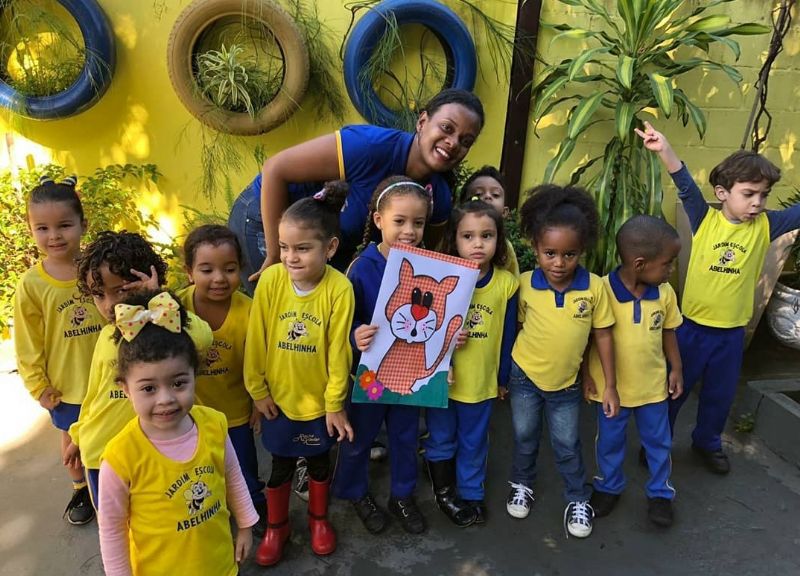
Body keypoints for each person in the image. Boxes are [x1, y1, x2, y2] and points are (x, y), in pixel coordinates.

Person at [636, 121, 800, 475]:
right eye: (748, 193)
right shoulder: (704, 218)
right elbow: (683, 181)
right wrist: (663, 147)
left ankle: (707, 442)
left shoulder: (768, 225)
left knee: (719, 397)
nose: (757, 203)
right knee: (672, 392)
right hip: (690, 331)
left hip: (730, 335)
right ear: (723, 193)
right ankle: (655, 444)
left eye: (763, 195)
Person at [228, 88, 485, 293]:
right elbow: (275, 169)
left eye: (466, 141)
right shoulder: (369, 147)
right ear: (422, 121)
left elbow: (423, 260)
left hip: (325, 243)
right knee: (284, 318)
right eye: (447, 128)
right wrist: (275, 255)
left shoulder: (436, 197)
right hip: (267, 216)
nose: (453, 143)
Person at [98, 290, 256, 576]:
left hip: (219, 564)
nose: (165, 399)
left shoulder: (214, 423)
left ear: (195, 375)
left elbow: (233, 475)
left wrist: (245, 525)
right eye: (148, 388)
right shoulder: (121, 456)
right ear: (125, 389)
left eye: (178, 383)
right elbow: (112, 529)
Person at [244, 182, 355, 566]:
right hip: (279, 399)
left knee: (320, 463)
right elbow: (256, 339)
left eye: (302, 248)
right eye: (284, 246)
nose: (290, 257)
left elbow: (340, 352)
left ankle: (318, 520)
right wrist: (257, 391)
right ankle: (277, 527)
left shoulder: (340, 289)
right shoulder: (271, 281)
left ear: (330, 248)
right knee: (280, 466)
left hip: (319, 403)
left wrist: (334, 405)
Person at [66, 231, 212, 509]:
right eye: (99, 295)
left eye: (120, 291)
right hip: (102, 453)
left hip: (155, 452)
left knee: (165, 516)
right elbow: (95, 391)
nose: (109, 305)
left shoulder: (162, 325)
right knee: (117, 528)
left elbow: (203, 338)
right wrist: (78, 434)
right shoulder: (107, 335)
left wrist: (157, 298)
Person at [507, 184, 618, 539]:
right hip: (524, 376)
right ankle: (522, 483)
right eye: (549, 253)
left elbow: (599, 336)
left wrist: (604, 382)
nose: (558, 263)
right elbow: (520, 329)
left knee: (568, 444)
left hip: (567, 384)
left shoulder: (595, 287)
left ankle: (578, 498)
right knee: (525, 437)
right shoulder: (524, 284)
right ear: (535, 248)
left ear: (581, 250)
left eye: (569, 254)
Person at [332, 176, 433, 536]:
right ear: (378, 220)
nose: (409, 230)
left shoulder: (430, 266)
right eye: (400, 221)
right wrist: (354, 333)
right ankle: (356, 492)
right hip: (371, 373)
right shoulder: (362, 267)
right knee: (360, 436)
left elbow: (440, 317)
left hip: (410, 376)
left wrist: (450, 338)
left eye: (418, 223)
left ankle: (402, 495)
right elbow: (343, 320)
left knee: (406, 437)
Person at [14, 175, 105, 525]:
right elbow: (28, 342)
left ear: (83, 224)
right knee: (73, 441)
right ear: (31, 229)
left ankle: (118, 481)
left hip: (110, 376)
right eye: (42, 228)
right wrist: (38, 385)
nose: (54, 236)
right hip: (67, 386)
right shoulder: (32, 285)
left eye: (64, 225)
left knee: (114, 432)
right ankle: (80, 487)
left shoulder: (99, 269)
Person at [584, 215, 683, 527]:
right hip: (610, 390)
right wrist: (586, 374)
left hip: (653, 388)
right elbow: (589, 336)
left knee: (659, 442)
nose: (670, 270)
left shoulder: (664, 293)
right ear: (640, 264)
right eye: (667, 263)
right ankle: (608, 486)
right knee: (609, 442)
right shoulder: (600, 290)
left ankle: (660, 494)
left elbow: (669, 332)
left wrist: (676, 368)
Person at [425, 199, 519, 526]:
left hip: (481, 384)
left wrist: (502, 378)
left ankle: (471, 493)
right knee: (440, 438)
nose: (477, 243)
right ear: (454, 239)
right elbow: (421, 330)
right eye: (468, 236)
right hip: (441, 382)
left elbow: (508, 336)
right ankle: (443, 492)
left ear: (499, 239)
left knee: (474, 441)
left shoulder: (506, 284)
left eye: (487, 235)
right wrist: (446, 343)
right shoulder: (440, 280)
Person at [177, 225, 266, 525]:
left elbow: (258, 362)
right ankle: (210, 517)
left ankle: (253, 512)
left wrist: (258, 401)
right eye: (206, 270)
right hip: (190, 415)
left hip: (235, 414)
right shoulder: (176, 308)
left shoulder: (249, 310)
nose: (218, 278)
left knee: (244, 471)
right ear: (189, 271)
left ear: (240, 269)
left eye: (228, 269)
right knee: (199, 471)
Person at [461, 166, 520, 275]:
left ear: (504, 212)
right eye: (478, 194)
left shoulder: (506, 249)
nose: (488, 196)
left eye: (495, 194)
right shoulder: (451, 240)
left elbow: (513, 283)